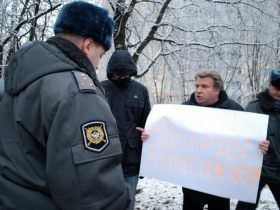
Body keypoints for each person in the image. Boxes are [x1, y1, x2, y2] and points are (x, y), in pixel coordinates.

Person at [0, 2, 134, 210]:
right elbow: (95, 196)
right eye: (101, 53)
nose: (99, 64)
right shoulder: (76, 92)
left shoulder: (15, 81)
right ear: (88, 45)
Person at [181, 71, 269, 210]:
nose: (198, 90)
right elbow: (170, 138)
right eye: (197, 86)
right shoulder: (184, 110)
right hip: (192, 185)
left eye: (204, 87)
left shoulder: (234, 110)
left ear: (217, 90)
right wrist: (152, 136)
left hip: (220, 186)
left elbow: (247, 140)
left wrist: (259, 146)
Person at [101, 50, 151, 206]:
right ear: (111, 72)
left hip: (131, 158)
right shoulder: (100, 89)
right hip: (105, 159)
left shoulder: (141, 91)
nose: (121, 78)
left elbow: (147, 123)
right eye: (117, 74)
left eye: (125, 74)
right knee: (107, 203)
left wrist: (147, 132)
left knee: (128, 202)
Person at [235, 69, 280, 210]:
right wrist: (253, 143)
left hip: (278, 170)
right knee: (245, 207)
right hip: (256, 171)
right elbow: (242, 136)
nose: (279, 92)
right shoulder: (254, 107)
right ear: (269, 86)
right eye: (277, 87)